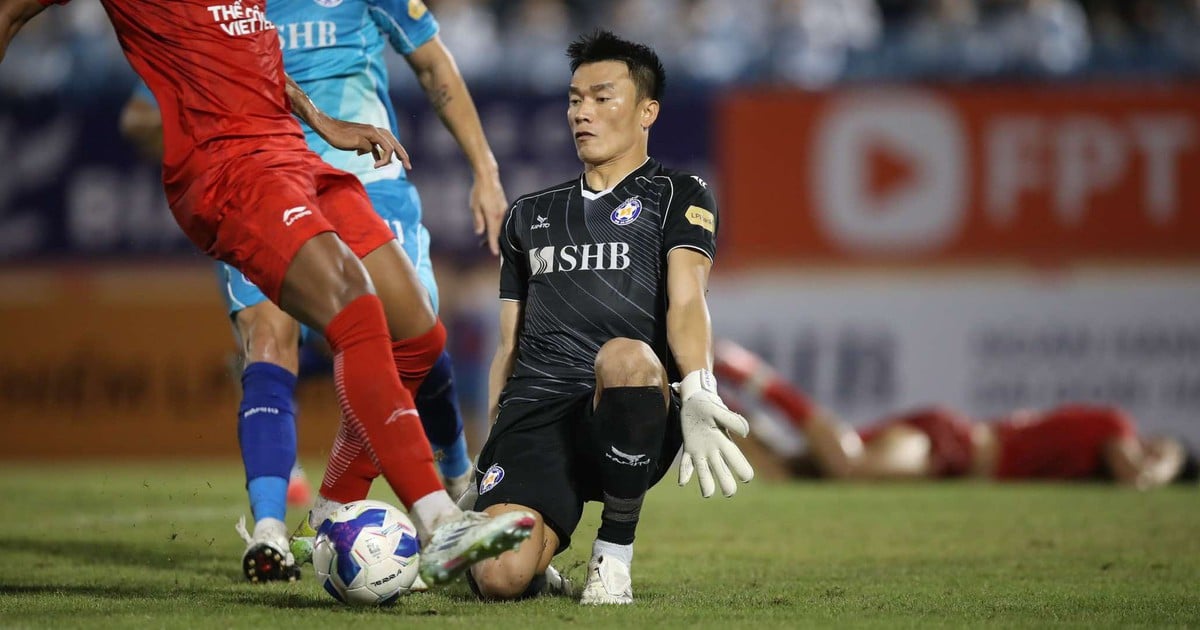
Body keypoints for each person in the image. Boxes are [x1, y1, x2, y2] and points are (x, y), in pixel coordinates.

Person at [0, 0, 533, 587]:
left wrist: (322, 122)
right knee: (352, 310)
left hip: (294, 152)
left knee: (417, 331)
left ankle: (333, 509)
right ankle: (438, 521)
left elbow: (249, 51)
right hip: (233, 169)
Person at [464, 31, 755, 605]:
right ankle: (538, 555)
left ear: (648, 110)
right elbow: (508, 346)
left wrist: (697, 387)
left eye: (602, 97)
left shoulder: (678, 194)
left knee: (625, 355)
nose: (582, 113)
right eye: (574, 100)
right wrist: (488, 450)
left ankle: (613, 556)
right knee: (498, 578)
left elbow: (688, 299)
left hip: (628, 404)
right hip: (538, 411)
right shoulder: (529, 214)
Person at [713, 339, 1196, 488]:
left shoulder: (1093, 468)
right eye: (1162, 447)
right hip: (957, 444)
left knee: (793, 474)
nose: (1155, 452)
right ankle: (749, 371)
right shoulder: (1117, 426)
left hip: (955, 456)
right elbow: (1138, 476)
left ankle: (710, 402)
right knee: (849, 467)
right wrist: (1171, 464)